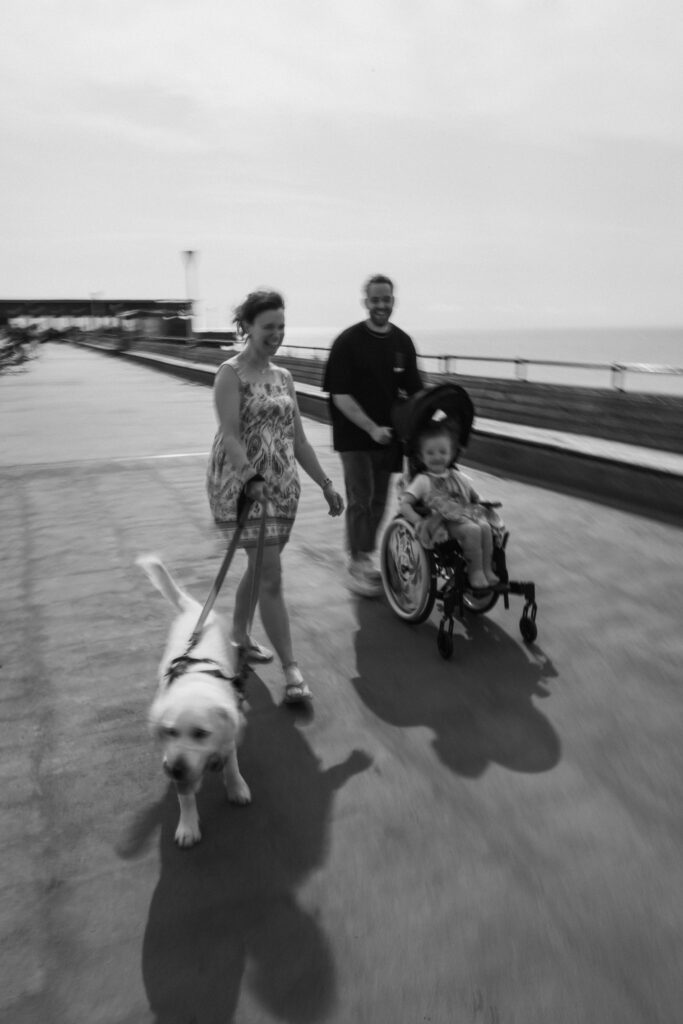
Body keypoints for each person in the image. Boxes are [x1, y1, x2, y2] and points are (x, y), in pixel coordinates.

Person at [206, 290, 345, 704]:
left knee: (260, 567)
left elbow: (298, 440)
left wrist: (325, 483)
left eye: (281, 326)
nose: (276, 334)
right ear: (247, 327)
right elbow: (231, 436)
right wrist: (250, 477)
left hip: (282, 488)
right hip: (242, 487)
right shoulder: (230, 374)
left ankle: (240, 636)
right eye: (268, 326)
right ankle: (291, 670)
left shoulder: (284, 377)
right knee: (270, 574)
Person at [322, 275, 422, 596]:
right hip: (354, 438)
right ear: (365, 302)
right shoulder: (348, 342)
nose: (381, 305)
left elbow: (415, 392)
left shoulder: (403, 343)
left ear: (393, 301)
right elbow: (340, 395)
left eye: (386, 299)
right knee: (361, 499)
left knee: (379, 501)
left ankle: (364, 555)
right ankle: (358, 562)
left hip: (389, 438)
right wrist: (371, 428)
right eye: (375, 300)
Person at [399, 420, 500, 592]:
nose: (437, 457)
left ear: (451, 454)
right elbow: (405, 503)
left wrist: (484, 503)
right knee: (473, 530)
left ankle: (486, 569)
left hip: (464, 514)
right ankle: (475, 572)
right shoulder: (423, 480)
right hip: (443, 522)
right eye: (430, 453)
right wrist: (417, 521)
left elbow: (474, 496)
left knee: (485, 527)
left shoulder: (457, 476)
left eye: (442, 452)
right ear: (421, 457)